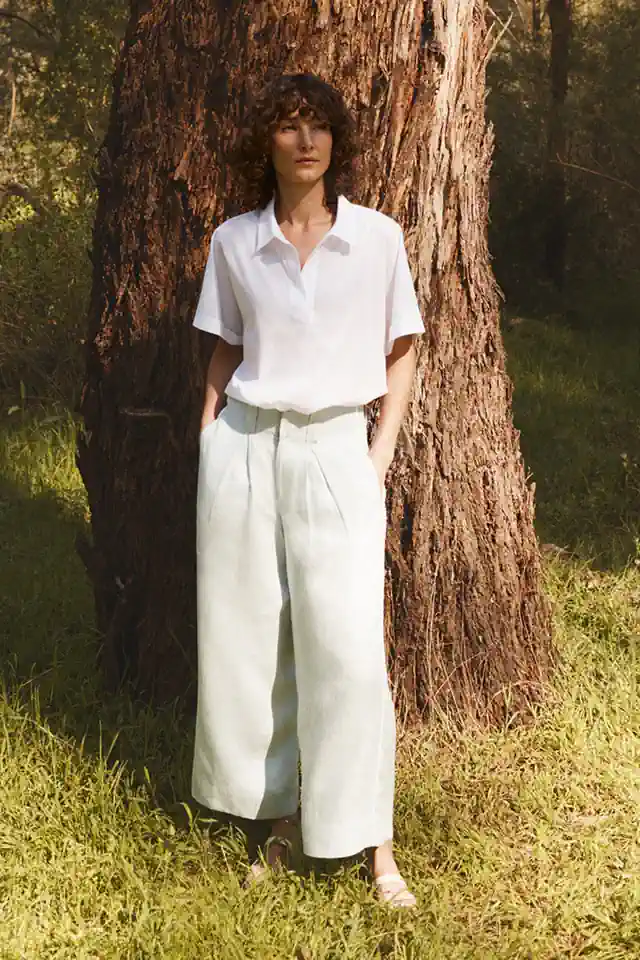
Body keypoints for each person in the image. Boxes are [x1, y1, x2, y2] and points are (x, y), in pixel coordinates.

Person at [190, 73, 424, 909]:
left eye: (318, 125)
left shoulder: (377, 239)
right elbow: (223, 348)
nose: (304, 140)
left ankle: (374, 844)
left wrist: (380, 452)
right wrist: (210, 438)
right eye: (288, 126)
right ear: (269, 143)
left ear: (336, 141)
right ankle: (281, 823)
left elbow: (402, 347)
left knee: (349, 652)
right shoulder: (233, 242)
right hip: (246, 450)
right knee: (257, 647)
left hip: (336, 450)